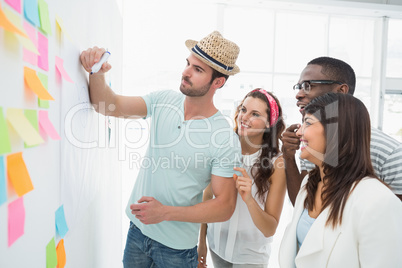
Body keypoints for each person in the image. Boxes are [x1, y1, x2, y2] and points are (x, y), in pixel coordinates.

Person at [80, 31, 243, 267]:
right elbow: (107, 105)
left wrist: (165, 213)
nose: (186, 72)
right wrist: (96, 72)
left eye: (198, 70)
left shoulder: (224, 138)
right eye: (188, 63)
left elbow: (225, 206)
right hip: (137, 233)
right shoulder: (163, 100)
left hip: (176, 251)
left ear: (218, 82)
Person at [279, 93, 402, 267]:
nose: (298, 132)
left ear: (336, 131)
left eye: (308, 123)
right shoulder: (309, 185)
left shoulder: (378, 201)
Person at [282, 57, 402, 204]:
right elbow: (303, 206)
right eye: (299, 86)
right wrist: (288, 156)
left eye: (308, 85)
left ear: (341, 91)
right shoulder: (312, 144)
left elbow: (394, 220)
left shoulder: (390, 154)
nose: (298, 94)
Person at [198, 89, 287, 268]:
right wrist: (201, 243)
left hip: (250, 257)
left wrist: (249, 200)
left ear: (269, 123)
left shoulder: (277, 164)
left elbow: (270, 228)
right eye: (243, 109)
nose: (244, 117)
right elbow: (207, 196)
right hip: (216, 246)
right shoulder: (222, 147)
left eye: (255, 114)